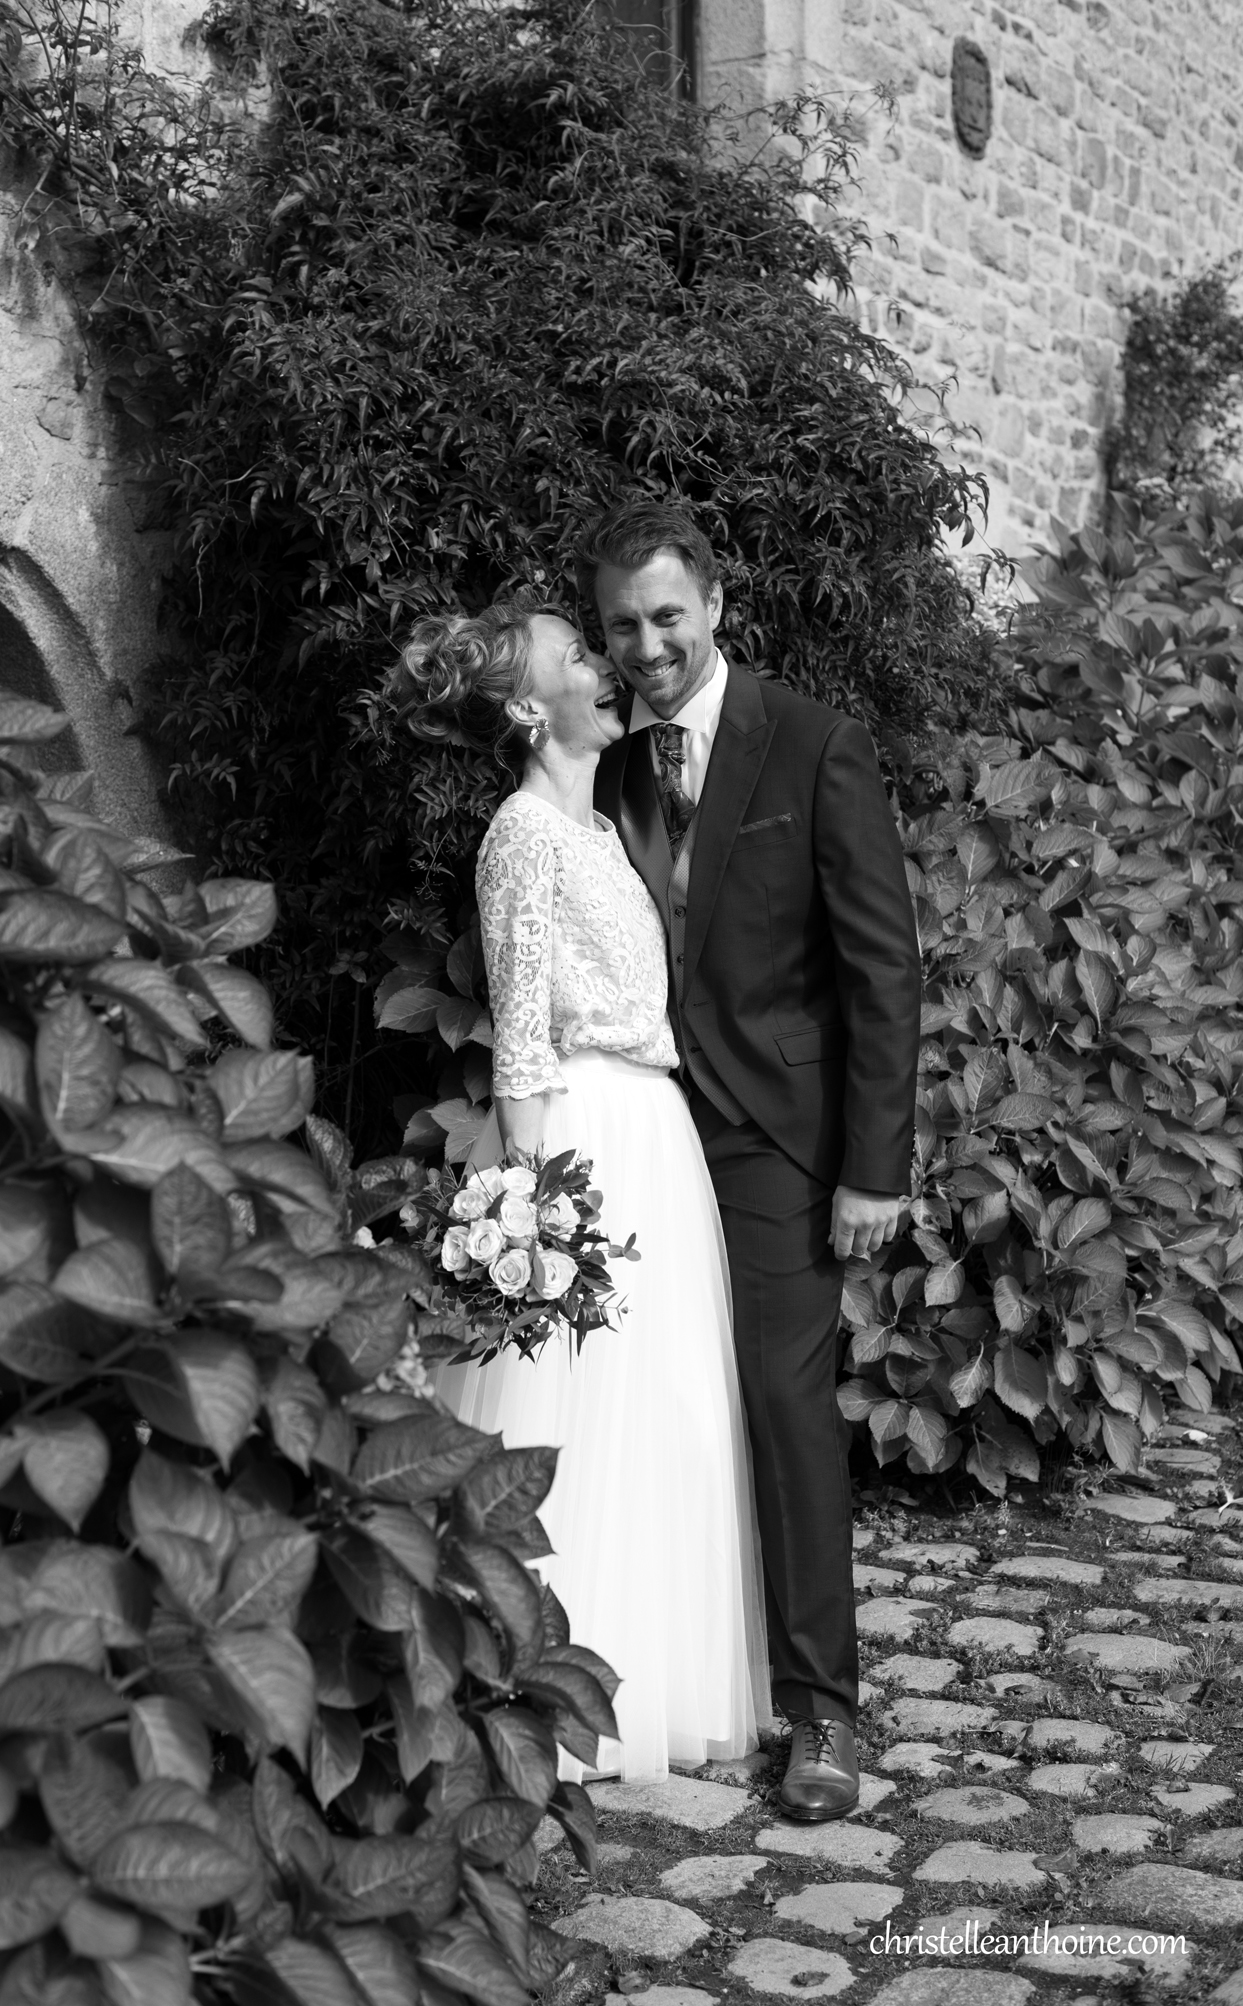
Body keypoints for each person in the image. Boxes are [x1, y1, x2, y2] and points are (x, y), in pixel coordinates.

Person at [392, 596, 772, 1781]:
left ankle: (652, 1675)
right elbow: (519, 1036)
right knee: (575, 1409)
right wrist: (531, 1206)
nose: (605, 664)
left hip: (656, 1132)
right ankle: (538, 1682)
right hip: (583, 1138)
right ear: (525, 706)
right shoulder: (521, 834)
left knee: (666, 1406)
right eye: (575, 653)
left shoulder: (606, 827)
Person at [586, 497, 921, 1823]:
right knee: (648, 1401)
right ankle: (660, 1676)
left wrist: (873, 1167)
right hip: (635, 1127)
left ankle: (821, 1710)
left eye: (667, 615)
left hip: (770, 1136)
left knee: (784, 1407)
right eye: (623, 624)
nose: (647, 645)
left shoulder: (812, 743)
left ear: (716, 604)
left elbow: (880, 967)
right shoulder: (601, 758)